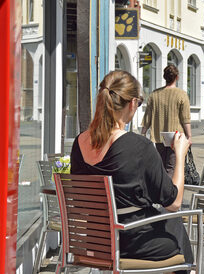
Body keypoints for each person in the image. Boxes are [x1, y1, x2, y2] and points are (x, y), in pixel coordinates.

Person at [71, 71, 193, 267]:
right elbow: (173, 202)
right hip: (132, 241)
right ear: (132, 103)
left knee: (172, 226)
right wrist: (180, 155)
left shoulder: (79, 142)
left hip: (95, 241)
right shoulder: (139, 146)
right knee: (175, 226)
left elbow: (79, 201)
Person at [141, 65, 192, 177]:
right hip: (176, 137)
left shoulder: (154, 94)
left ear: (164, 77)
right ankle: (168, 192)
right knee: (172, 167)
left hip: (159, 136)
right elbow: (185, 119)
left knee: (162, 166)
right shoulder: (181, 94)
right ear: (177, 77)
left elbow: (147, 117)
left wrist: (143, 132)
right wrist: (189, 136)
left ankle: (160, 191)